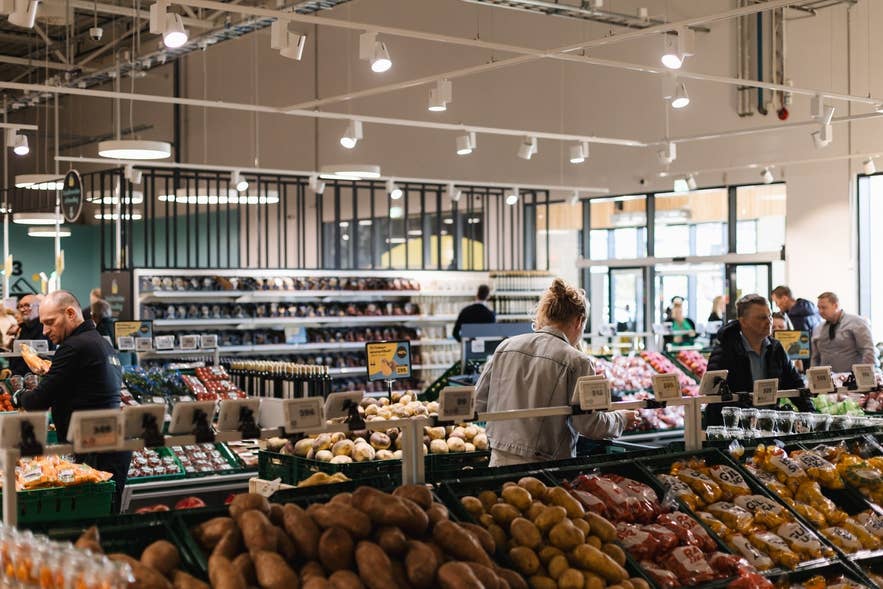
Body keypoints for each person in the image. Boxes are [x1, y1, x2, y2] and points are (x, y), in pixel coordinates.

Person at [475, 278, 638, 466]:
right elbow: (589, 424)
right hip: (549, 468)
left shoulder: (506, 347)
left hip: (498, 460)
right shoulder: (577, 361)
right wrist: (622, 419)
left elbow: (478, 404)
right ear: (579, 321)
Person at [15, 290, 130, 512]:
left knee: (92, 519)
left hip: (96, 450)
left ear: (70, 313)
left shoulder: (75, 346)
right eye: (42, 324)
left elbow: (37, 401)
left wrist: (18, 396)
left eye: (50, 323)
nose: (45, 331)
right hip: (110, 445)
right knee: (106, 517)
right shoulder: (99, 343)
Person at [705, 294, 811, 426]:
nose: (769, 321)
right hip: (734, 430)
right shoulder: (725, 351)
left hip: (768, 427)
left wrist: (811, 415)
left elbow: (795, 384)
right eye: (762, 318)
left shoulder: (776, 348)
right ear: (743, 321)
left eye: (770, 316)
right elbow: (714, 395)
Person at [811, 291, 877, 372]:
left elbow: (868, 351)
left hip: (851, 380)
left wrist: (865, 377)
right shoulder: (818, 328)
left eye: (824, 307)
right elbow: (815, 357)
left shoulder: (857, 322)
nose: (820, 311)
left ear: (835, 306)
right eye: (818, 307)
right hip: (826, 381)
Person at [8, 294, 54, 375]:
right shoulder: (22, 329)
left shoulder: (47, 328)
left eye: (27, 305)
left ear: (39, 307)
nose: (22, 309)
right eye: (20, 306)